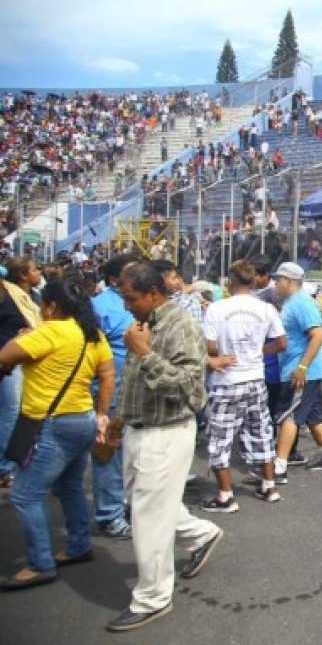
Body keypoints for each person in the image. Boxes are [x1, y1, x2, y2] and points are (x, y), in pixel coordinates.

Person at [110, 261, 222, 632]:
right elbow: (133, 378)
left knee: (149, 517)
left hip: (166, 431)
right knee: (145, 505)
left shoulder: (180, 324)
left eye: (131, 298)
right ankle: (202, 534)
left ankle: (153, 597)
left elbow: (191, 389)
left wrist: (145, 354)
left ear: (153, 293)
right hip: (138, 428)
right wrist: (118, 417)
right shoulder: (147, 322)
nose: (126, 305)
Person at [0, 278, 115, 591]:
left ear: (50, 306)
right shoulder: (92, 333)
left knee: (25, 494)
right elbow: (107, 375)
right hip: (83, 419)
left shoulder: (48, 331)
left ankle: (40, 563)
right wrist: (102, 413)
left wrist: (23, 339)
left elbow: (4, 356)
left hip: (51, 423)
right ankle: (78, 545)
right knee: (69, 485)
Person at [201, 261, 287, 511]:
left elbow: (212, 347)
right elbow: (281, 343)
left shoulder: (216, 309)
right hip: (254, 377)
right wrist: (258, 350)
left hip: (227, 379)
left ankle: (225, 495)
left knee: (220, 438)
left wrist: (225, 352)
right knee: (261, 432)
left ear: (230, 280)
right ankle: (269, 485)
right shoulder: (266, 308)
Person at [270, 262, 322, 481]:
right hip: (305, 369)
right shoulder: (295, 302)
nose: (275, 284)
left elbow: (318, 335)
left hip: (301, 371)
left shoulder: (300, 302)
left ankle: (279, 467)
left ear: (288, 281)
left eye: (278, 280)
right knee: (314, 417)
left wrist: (302, 367)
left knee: (289, 416)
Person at [88, 253, 141, 540]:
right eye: (132, 272)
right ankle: (109, 514)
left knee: (134, 452)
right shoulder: (100, 306)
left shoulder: (142, 302)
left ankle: (126, 504)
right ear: (113, 280)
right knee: (109, 450)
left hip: (139, 389)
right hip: (111, 390)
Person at [0, 260, 40, 489]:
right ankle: (6, 467)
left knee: (21, 411)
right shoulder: (6, 297)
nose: (39, 273)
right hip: (9, 363)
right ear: (23, 275)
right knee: (11, 413)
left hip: (26, 359)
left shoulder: (30, 297)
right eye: (34, 269)